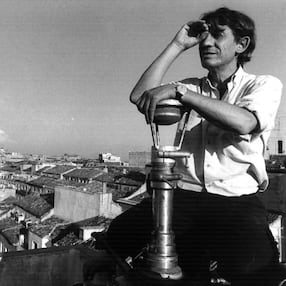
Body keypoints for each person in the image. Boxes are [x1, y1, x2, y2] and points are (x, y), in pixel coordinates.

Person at [101, 7, 285, 286]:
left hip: (235, 201)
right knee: (120, 234)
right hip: (184, 199)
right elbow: (140, 96)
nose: (207, 43)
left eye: (218, 35)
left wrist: (181, 94)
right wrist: (177, 45)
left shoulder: (262, 85)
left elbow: (245, 122)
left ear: (241, 44)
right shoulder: (191, 87)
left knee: (255, 267)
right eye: (204, 36)